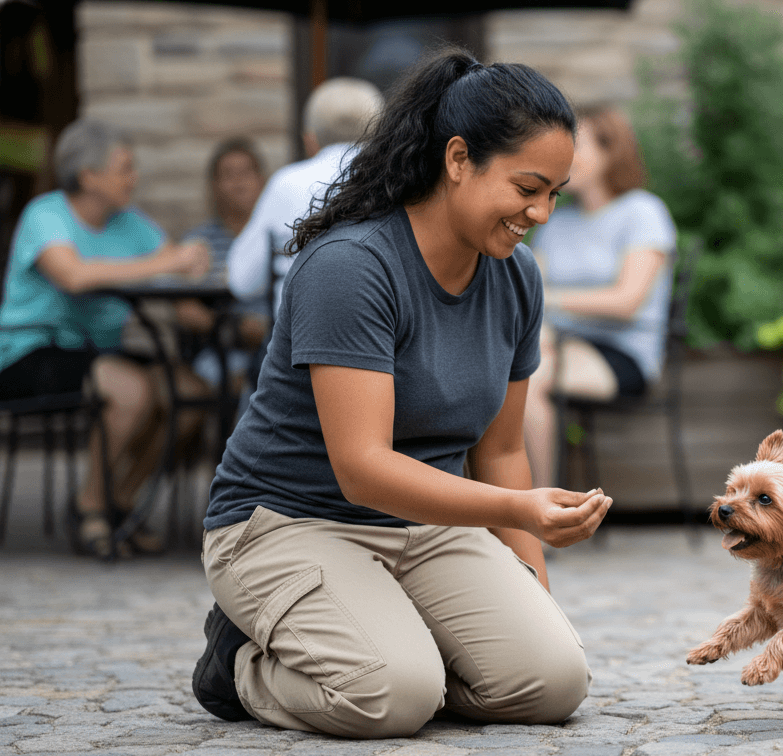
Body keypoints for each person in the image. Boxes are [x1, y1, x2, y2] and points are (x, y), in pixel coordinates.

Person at [191, 47, 612, 739]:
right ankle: (239, 665)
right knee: (391, 695)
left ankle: (392, 642)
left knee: (551, 681)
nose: (540, 212)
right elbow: (362, 469)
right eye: (527, 187)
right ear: (458, 159)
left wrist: (533, 595)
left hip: (424, 526)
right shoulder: (352, 268)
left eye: (555, 194)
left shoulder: (517, 279)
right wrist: (520, 511)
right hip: (289, 523)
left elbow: (502, 452)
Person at [0, 118, 212, 557]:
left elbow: (179, 281)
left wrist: (208, 289)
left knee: (190, 393)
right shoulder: (46, 214)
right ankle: (90, 508)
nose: (133, 177)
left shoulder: (130, 223)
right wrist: (168, 263)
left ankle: (121, 502)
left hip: (100, 352)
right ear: (88, 176)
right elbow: (73, 276)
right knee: (130, 391)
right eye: (124, 168)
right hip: (29, 350)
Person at [523, 106, 677, 487]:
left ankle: (539, 507)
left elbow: (627, 302)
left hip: (621, 352)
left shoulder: (642, 212)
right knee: (501, 370)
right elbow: (528, 295)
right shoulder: (555, 222)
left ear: (611, 151)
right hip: (555, 343)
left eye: (576, 146)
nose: (564, 157)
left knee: (526, 380)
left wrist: (552, 301)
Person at [226, 78, 383, 313]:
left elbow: (243, 281)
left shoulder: (286, 183)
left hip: (297, 329)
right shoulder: (398, 181)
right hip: (382, 328)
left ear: (310, 140)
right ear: (381, 135)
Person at [176, 137, 268, 395]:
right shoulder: (198, 242)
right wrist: (233, 328)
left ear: (262, 181)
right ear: (214, 186)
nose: (238, 183)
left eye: (246, 173)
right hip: (220, 351)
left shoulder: (279, 238)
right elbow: (184, 308)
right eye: (228, 175)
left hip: (277, 347)